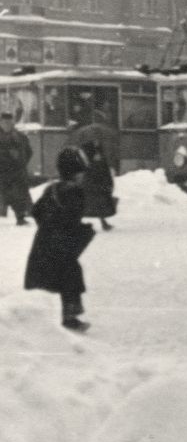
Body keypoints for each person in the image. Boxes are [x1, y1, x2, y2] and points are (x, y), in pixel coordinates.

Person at [24, 148, 96, 332]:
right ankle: (69, 319)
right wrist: (81, 231)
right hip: (62, 245)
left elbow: (36, 211)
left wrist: (47, 226)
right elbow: (71, 219)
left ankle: (32, 319)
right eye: (81, 172)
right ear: (75, 172)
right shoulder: (75, 191)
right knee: (70, 278)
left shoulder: (52, 188)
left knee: (42, 282)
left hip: (44, 242)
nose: (83, 176)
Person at [0, 111, 33, 225]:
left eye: (9, 122)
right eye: (5, 122)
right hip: (2, 171)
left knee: (18, 195)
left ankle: (20, 217)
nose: (7, 124)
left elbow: (28, 152)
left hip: (16, 171)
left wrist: (20, 162)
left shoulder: (20, 137)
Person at [78, 140, 116, 232]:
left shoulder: (92, 160)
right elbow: (102, 173)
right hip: (95, 186)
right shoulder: (96, 160)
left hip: (93, 185)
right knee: (95, 205)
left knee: (93, 205)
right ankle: (104, 224)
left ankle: (104, 223)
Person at [71, 109, 121, 174]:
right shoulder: (110, 131)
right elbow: (113, 150)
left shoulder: (84, 131)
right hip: (106, 163)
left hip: (94, 162)